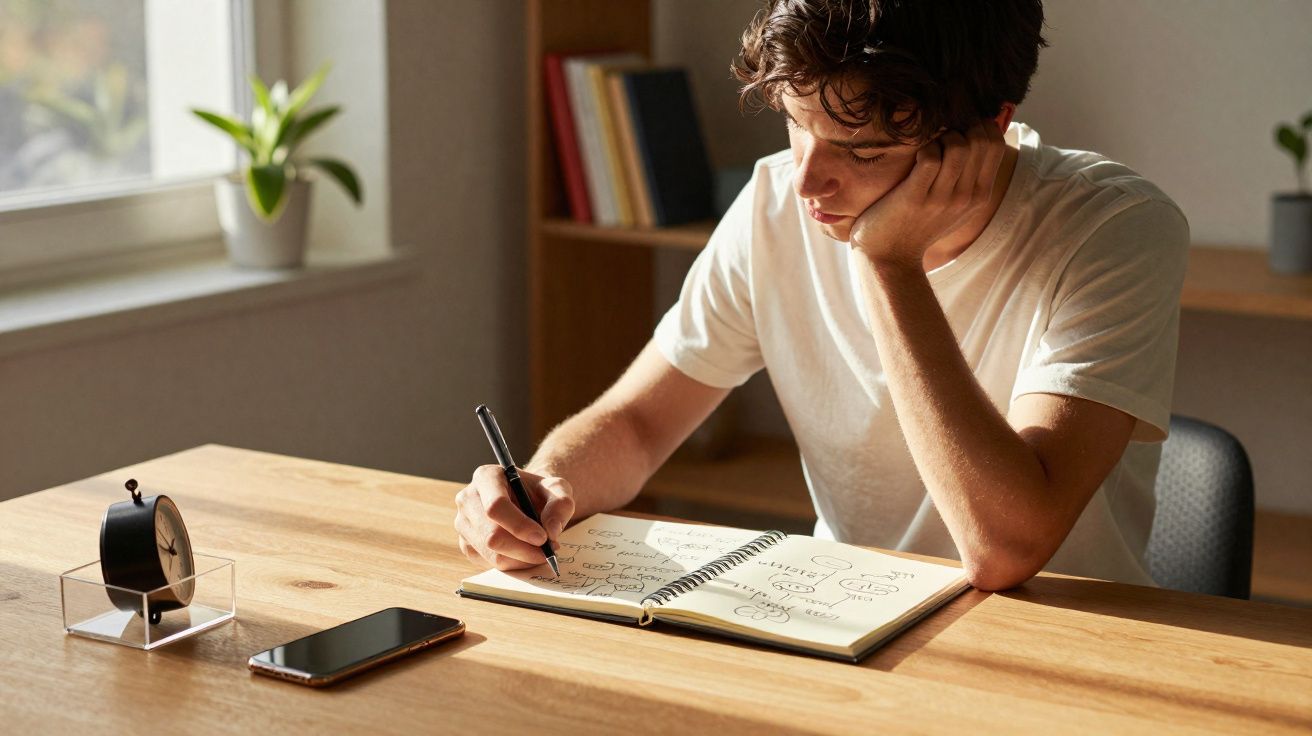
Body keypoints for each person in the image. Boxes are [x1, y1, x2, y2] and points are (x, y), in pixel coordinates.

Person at [454, 0, 1189, 590]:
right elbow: (642, 423)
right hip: (844, 623)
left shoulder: (1116, 230)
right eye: (795, 126)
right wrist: (546, 489)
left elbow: (1004, 550)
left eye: (862, 150)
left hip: (1064, 643)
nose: (807, 182)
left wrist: (888, 265)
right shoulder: (775, 201)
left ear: (988, 132)